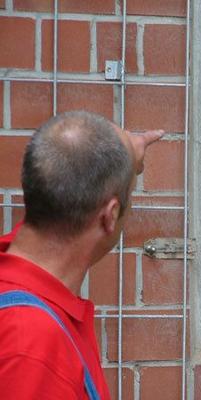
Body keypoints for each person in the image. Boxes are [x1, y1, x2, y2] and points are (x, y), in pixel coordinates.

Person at [0, 111, 164, 399]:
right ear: (110, 216)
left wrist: (127, 154)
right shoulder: (33, 349)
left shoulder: (15, 268)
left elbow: (72, 154)